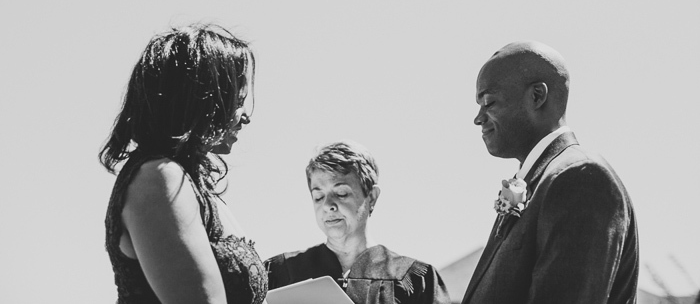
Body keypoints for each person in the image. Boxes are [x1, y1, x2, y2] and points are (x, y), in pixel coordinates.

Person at [100, 24, 268, 304]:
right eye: (236, 102)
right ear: (202, 101)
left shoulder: (194, 186)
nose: (245, 117)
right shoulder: (158, 178)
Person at [461, 41, 639, 304]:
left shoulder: (580, 178)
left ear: (537, 96)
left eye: (489, 102)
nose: (478, 118)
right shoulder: (544, 180)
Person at [265, 141, 451, 304]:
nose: (328, 205)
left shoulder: (416, 280)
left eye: (341, 193)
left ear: (372, 197)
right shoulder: (279, 272)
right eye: (319, 196)